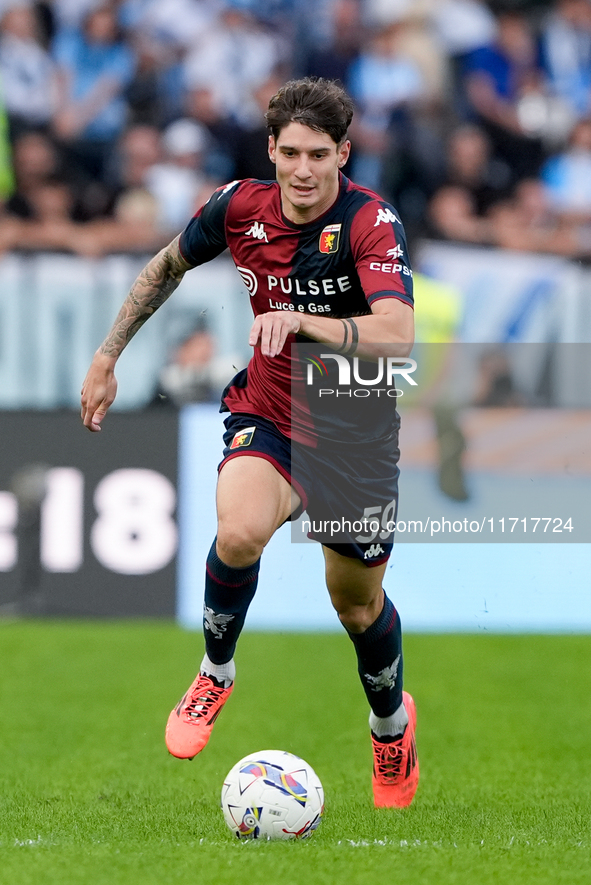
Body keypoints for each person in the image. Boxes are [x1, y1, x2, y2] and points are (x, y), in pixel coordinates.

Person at [80, 77, 418, 809]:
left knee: (356, 605)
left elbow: (397, 332)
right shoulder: (238, 206)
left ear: (343, 154)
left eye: (318, 155)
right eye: (289, 152)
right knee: (237, 530)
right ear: (270, 149)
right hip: (267, 411)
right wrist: (109, 354)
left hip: (354, 438)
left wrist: (302, 319)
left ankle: (390, 726)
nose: (301, 169)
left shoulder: (369, 221)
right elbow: (165, 266)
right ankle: (214, 672)